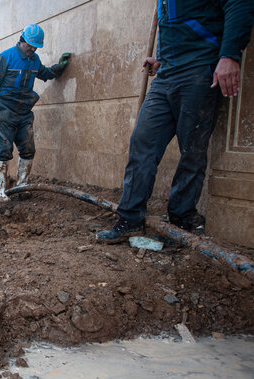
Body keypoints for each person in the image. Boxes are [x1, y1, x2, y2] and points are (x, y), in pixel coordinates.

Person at [97, 0, 254, 243]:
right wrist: (161, 57)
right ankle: (129, 220)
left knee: (191, 151)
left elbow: (239, 4)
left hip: (200, 69)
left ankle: (181, 223)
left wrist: (229, 55)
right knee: (142, 143)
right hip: (166, 74)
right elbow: (177, 23)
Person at [0, 24, 71, 202]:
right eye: (30, 45)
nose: (33, 49)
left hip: (24, 112)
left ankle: (21, 186)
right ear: (22, 40)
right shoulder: (5, 57)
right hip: (5, 110)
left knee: (28, 149)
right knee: (4, 150)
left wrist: (58, 68)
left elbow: (45, 73)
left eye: (35, 46)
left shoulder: (34, 60)